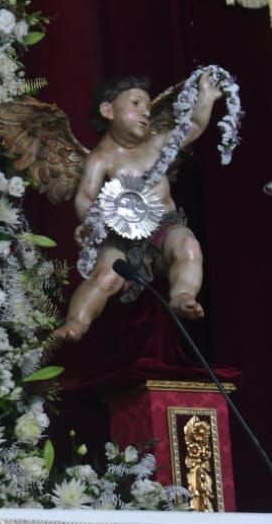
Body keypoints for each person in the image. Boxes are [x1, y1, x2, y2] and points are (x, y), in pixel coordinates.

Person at [54, 72, 222, 342]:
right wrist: (91, 222)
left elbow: (193, 125)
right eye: (135, 104)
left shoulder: (156, 145)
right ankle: (76, 323)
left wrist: (206, 97)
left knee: (188, 247)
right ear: (108, 110)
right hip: (119, 235)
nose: (146, 112)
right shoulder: (100, 160)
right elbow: (85, 198)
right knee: (106, 276)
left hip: (165, 225)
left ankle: (182, 295)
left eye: (147, 106)